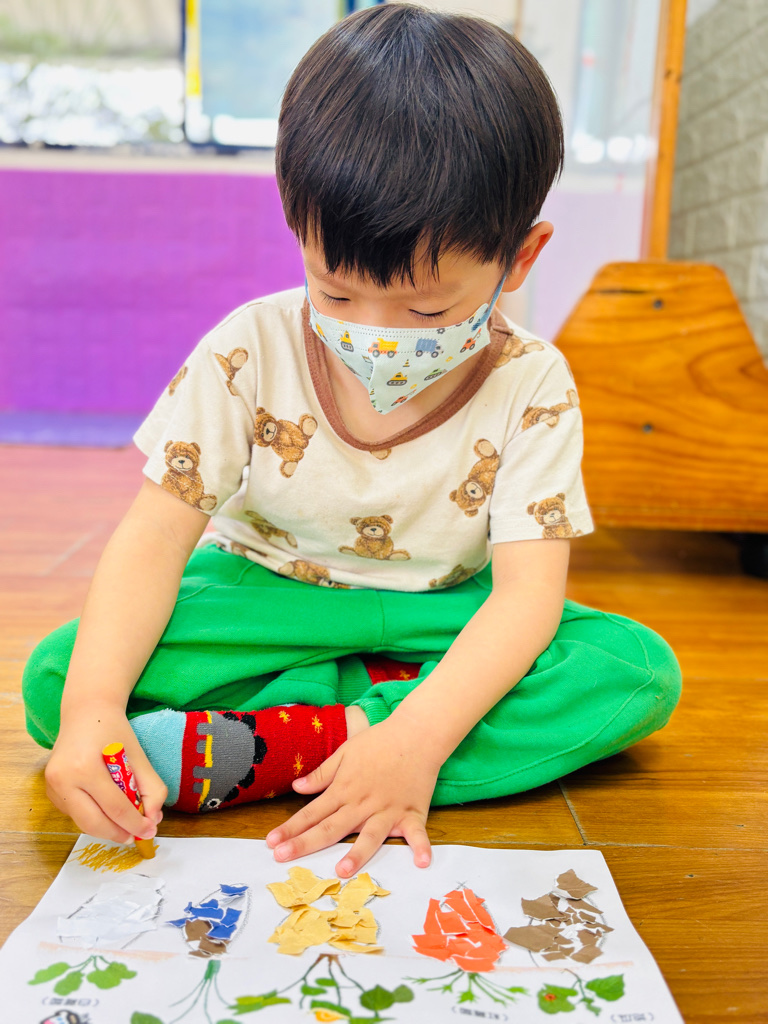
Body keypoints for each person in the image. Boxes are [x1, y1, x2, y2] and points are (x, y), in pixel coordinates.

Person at [22, 4, 681, 878]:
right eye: (334, 292)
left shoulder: (533, 382)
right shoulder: (247, 348)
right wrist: (93, 710)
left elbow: (526, 599)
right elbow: (153, 538)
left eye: (427, 308)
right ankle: (359, 740)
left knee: (632, 670)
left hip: (443, 611)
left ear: (520, 259)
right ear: (299, 230)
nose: (376, 333)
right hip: (267, 597)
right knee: (58, 680)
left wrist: (418, 735)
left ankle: (323, 747)